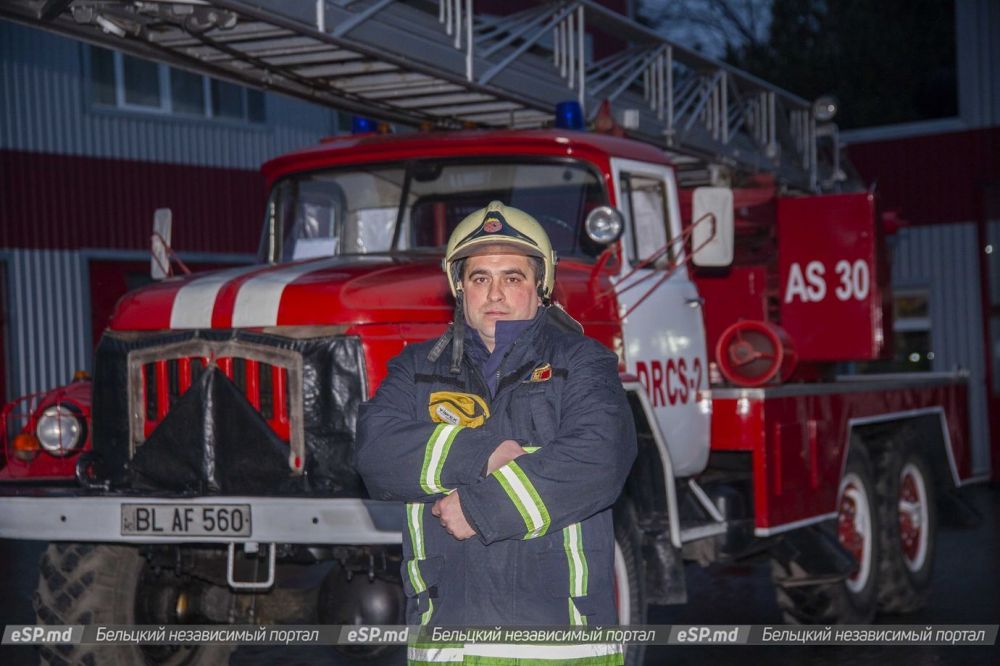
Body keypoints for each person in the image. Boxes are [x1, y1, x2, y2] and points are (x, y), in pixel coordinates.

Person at [354, 201, 637, 663]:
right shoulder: (416, 369)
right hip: (446, 641)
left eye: (513, 277)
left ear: (540, 286)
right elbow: (375, 452)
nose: (495, 294)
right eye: (480, 278)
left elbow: (599, 457)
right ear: (459, 288)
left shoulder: (582, 362)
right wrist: (483, 454)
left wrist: (480, 508)